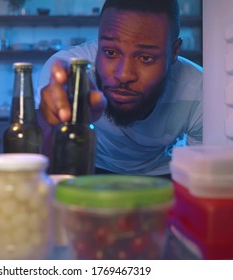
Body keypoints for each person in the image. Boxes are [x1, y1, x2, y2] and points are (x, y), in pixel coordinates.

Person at [36, 0, 203, 177]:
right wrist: (49, 120)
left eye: (145, 58)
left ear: (174, 52)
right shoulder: (69, 73)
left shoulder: (199, 90)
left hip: (161, 174)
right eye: (110, 52)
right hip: (89, 167)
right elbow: (39, 166)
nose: (123, 75)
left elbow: (202, 175)